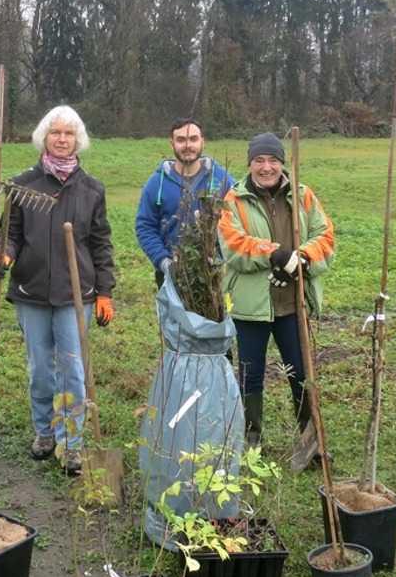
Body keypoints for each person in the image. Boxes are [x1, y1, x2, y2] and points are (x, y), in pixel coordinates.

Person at [0, 106, 115, 475]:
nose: (62, 139)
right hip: (30, 289)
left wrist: (105, 290)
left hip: (76, 293)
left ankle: (71, 441)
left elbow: (101, 243)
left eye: (68, 133)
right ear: (44, 138)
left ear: (77, 139)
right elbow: (10, 233)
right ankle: (45, 431)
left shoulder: (91, 190)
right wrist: (5, 254)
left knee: (72, 370)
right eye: (55, 133)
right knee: (40, 369)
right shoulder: (22, 185)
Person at [218, 132, 335, 450]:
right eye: (259, 160)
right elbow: (233, 246)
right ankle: (250, 440)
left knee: (301, 373)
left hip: (293, 303)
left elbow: (325, 236)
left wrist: (301, 259)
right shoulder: (233, 200)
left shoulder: (302, 195)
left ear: (282, 163)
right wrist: (275, 255)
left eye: (273, 160)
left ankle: (310, 441)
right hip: (250, 306)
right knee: (250, 375)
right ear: (250, 164)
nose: (266, 167)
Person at [135, 119, 235, 285]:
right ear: (172, 144)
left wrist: (220, 258)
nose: (187, 145)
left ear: (202, 142)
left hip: (215, 274)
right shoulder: (156, 183)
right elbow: (145, 226)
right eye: (181, 140)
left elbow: (235, 222)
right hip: (171, 276)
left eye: (193, 139)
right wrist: (163, 261)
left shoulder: (222, 179)